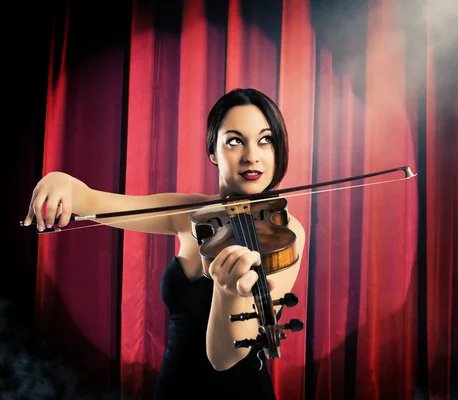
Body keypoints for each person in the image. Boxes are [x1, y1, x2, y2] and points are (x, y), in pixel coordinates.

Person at [22, 88, 306, 399]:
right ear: (213, 152)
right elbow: (93, 201)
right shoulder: (191, 215)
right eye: (235, 141)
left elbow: (225, 358)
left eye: (266, 140)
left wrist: (227, 293)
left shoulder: (285, 234)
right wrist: (61, 181)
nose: (252, 155)